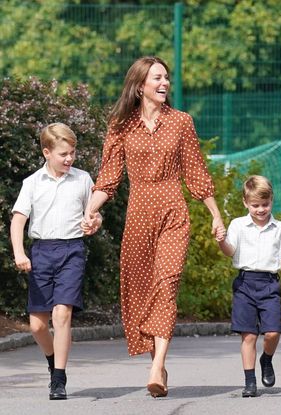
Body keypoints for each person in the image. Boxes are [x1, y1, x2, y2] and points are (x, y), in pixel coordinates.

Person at [83, 56, 225, 398]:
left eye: (167, 78)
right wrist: (90, 211)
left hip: (173, 212)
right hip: (138, 216)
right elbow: (109, 178)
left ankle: (156, 365)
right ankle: (157, 361)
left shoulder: (181, 122)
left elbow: (196, 172)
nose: (164, 83)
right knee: (144, 291)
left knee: (168, 283)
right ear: (140, 85)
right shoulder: (121, 126)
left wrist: (216, 215)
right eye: (157, 78)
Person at [10, 123, 101, 400]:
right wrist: (19, 253)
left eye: (72, 152)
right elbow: (18, 221)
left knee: (62, 313)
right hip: (41, 252)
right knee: (37, 324)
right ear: (46, 152)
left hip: (72, 250)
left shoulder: (83, 179)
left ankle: (58, 379)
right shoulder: (32, 183)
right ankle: (52, 361)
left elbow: (94, 214)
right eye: (63, 154)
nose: (69, 158)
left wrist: (94, 222)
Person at [217, 175, 281, 397]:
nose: (261, 209)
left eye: (265, 204)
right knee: (249, 335)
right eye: (255, 205)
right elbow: (230, 251)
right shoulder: (238, 225)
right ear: (246, 203)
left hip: (269, 284)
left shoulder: (280, 228)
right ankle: (250, 382)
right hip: (245, 284)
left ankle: (267, 359)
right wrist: (221, 241)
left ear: (271, 200)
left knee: (272, 332)